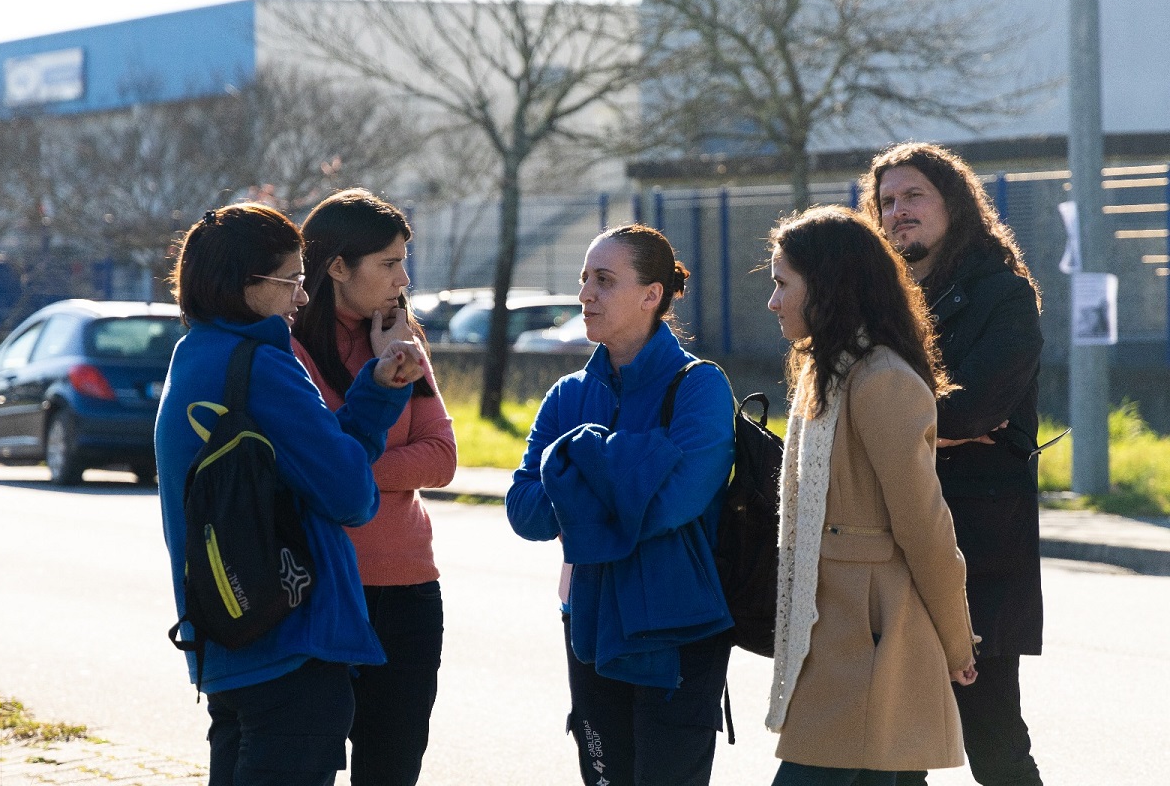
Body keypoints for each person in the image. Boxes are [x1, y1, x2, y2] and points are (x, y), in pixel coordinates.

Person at [155, 202, 425, 786]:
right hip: (291, 643)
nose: (301, 300)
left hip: (226, 637)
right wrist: (378, 400)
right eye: (292, 281)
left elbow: (313, 464)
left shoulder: (194, 355)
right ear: (245, 284)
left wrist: (372, 388)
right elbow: (351, 494)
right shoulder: (262, 366)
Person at [506, 224, 735, 786]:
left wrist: (576, 477)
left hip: (679, 629)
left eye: (604, 281)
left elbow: (675, 504)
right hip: (587, 622)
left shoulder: (700, 387)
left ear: (651, 295)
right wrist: (630, 471)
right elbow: (523, 509)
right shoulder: (567, 394)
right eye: (584, 278)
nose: (585, 294)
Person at [764, 206, 979, 786]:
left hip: (872, 639)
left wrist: (958, 643)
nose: (773, 301)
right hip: (836, 635)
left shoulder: (879, 379)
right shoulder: (826, 371)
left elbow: (926, 526)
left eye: (783, 284)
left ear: (829, 287)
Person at [860, 142, 1045, 786]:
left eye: (914, 197)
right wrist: (926, 427)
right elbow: (858, 403)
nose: (898, 211)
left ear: (954, 202)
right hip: (895, 541)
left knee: (993, 741)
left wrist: (894, 424)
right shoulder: (879, 301)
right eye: (886, 202)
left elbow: (976, 409)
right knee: (898, 745)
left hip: (981, 549)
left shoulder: (1004, 292)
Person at [291, 188, 457, 786]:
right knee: (308, 765)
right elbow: (313, 469)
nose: (402, 277)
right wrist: (363, 460)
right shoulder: (292, 350)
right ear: (337, 266)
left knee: (393, 770)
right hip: (326, 589)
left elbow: (441, 458)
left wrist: (353, 468)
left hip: (411, 588)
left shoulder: (401, 338)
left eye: (403, 261)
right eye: (388, 263)